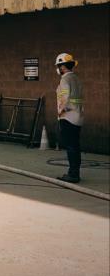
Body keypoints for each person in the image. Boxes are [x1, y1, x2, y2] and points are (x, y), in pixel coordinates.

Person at [54, 53, 83, 183]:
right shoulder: (76, 78)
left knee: (71, 146)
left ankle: (73, 174)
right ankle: (75, 172)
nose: (58, 69)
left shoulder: (65, 79)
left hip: (68, 117)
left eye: (59, 66)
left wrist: (60, 112)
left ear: (63, 66)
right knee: (75, 146)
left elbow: (64, 97)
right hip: (78, 116)